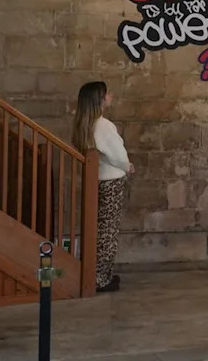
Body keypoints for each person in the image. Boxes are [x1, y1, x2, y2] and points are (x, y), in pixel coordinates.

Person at [72, 81, 134, 293]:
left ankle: (97, 274)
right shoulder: (104, 125)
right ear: (99, 99)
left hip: (97, 179)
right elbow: (117, 153)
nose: (111, 96)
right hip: (111, 180)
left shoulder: (84, 123)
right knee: (108, 231)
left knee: (99, 228)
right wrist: (127, 165)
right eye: (107, 94)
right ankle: (100, 278)